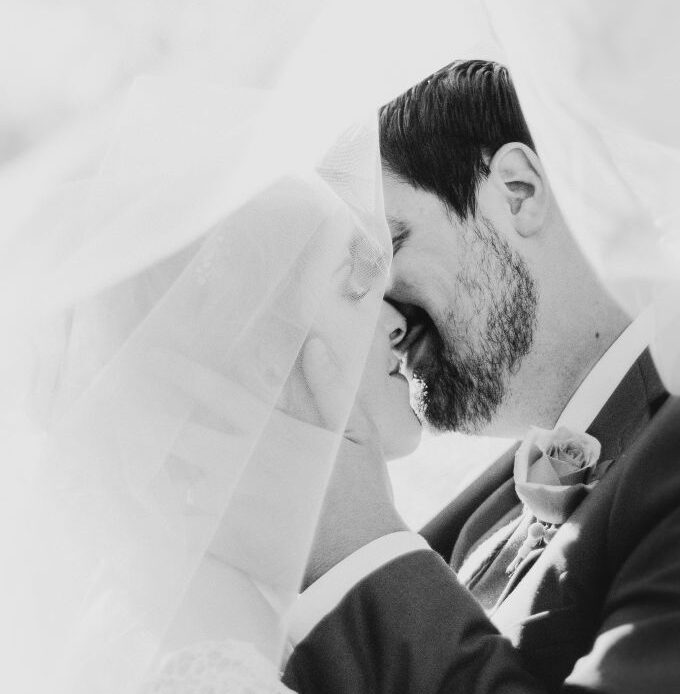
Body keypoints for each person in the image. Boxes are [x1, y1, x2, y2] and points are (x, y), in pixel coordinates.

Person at [282, 60, 680, 693]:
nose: (383, 314)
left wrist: (359, 551)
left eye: (385, 252)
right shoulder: (476, 519)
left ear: (517, 190)